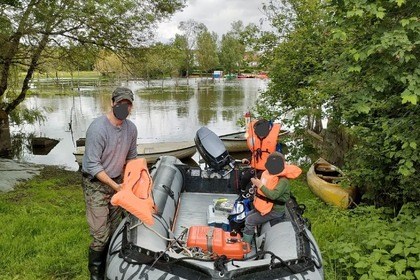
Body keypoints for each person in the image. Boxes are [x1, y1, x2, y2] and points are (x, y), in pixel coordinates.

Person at [81, 87, 138, 280]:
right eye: (121, 103)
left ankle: (110, 270)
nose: (124, 107)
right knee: (100, 235)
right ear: (112, 103)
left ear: (131, 107)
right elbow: (92, 165)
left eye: (128, 104)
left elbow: (131, 158)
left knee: (115, 230)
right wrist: (116, 187)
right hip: (96, 183)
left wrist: (130, 181)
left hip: (117, 181)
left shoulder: (131, 129)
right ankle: (95, 275)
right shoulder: (98, 129)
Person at [242, 152, 302, 245]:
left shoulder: (283, 181)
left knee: (250, 220)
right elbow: (265, 185)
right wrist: (256, 184)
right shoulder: (268, 174)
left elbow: (274, 195)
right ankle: (250, 235)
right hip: (265, 207)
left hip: (274, 211)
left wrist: (260, 185)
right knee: (248, 215)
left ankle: (245, 245)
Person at [240, 118, 282, 196]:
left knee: (256, 181)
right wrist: (248, 160)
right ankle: (241, 192)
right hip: (256, 166)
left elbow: (279, 158)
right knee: (245, 177)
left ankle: (251, 195)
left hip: (268, 168)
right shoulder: (255, 139)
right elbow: (255, 153)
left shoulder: (275, 143)